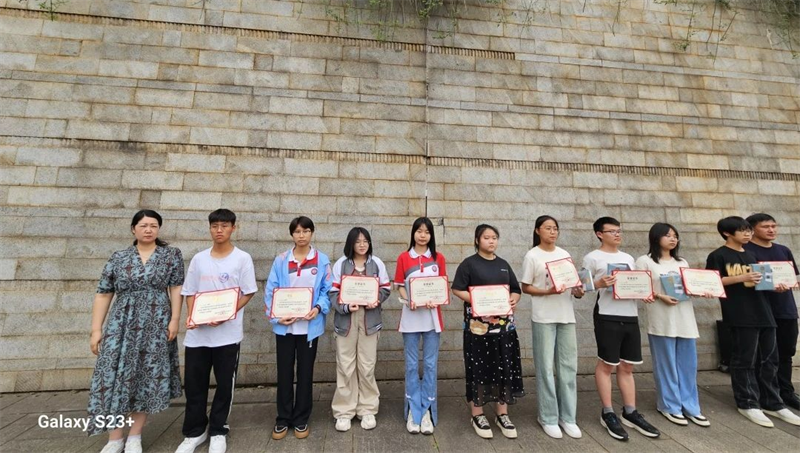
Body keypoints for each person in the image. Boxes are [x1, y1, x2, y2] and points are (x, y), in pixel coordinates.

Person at [87, 210, 184, 453]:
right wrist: (96, 329)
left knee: (146, 377)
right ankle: (115, 438)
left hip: (156, 323)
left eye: (153, 225)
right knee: (112, 375)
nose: (148, 229)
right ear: (133, 229)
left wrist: (174, 320)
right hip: (121, 324)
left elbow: (176, 288)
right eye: (143, 225)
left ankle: (135, 436)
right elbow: (104, 293)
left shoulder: (171, 255)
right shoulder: (118, 257)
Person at [175, 209, 257, 453]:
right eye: (214, 226)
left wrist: (226, 313)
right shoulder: (199, 259)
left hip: (227, 335)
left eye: (224, 225)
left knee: (224, 385)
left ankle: (219, 429)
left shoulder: (242, 258)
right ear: (210, 228)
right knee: (194, 385)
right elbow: (189, 292)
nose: (219, 230)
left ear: (233, 228)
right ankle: (195, 432)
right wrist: (193, 316)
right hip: (198, 336)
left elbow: (248, 292)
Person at [706, 216, 800, 427]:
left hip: (765, 313)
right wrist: (741, 278)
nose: (747, 234)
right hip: (740, 314)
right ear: (727, 233)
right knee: (744, 360)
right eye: (743, 230)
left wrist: (777, 286)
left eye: (749, 230)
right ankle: (747, 402)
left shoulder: (751, 255)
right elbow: (710, 281)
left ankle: (772, 402)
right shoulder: (718, 255)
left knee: (770, 360)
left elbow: (761, 282)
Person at [582, 216, 660, 441]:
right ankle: (607, 412)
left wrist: (645, 293)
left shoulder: (627, 258)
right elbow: (581, 286)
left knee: (627, 365)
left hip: (630, 315)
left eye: (619, 231)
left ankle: (630, 411)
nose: (617, 234)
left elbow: (634, 283)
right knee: (607, 364)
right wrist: (598, 284)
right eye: (612, 231)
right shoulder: (592, 257)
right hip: (607, 315)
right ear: (599, 234)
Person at [452, 224, 524, 440]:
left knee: (504, 367)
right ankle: (478, 414)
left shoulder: (503, 264)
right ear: (477, 240)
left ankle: (502, 413)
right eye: (486, 237)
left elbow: (516, 289)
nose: (491, 241)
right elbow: (457, 289)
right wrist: (477, 300)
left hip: (504, 328)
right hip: (478, 329)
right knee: (479, 369)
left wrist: (514, 299)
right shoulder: (469, 264)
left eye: (494, 237)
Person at [635, 223, 710, 428]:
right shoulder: (645, 261)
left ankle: (691, 406)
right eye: (668, 235)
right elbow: (640, 288)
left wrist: (701, 290)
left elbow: (688, 286)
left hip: (685, 318)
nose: (673, 239)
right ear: (656, 237)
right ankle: (669, 405)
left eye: (675, 236)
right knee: (666, 365)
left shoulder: (681, 261)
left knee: (688, 365)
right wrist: (660, 296)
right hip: (661, 319)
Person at [264, 216, 332, 440]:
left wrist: (319, 307)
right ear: (292, 234)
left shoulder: (321, 260)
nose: (301, 235)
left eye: (306, 231)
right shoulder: (281, 260)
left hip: (309, 328)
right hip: (285, 328)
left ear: (312, 233)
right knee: (284, 373)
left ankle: (301, 418)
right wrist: (276, 316)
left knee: (305, 373)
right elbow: (271, 289)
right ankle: (283, 418)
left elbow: (327, 289)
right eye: (297, 232)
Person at [520, 215, 584, 439]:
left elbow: (573, 284)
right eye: (548, 228)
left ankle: (568, 417)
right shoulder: (532, 255)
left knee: (568, 367)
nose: (552, 232)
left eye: (555, 228)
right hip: (544, 317)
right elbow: (525, 287)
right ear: (537, 230)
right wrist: (548, 291)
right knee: (545, 368)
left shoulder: (564, 254)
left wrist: (578, 291)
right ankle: (547, 416)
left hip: (566, 316)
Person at [329, 227, 391, 432]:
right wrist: (346, 307)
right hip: (346, 321)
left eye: (365, 241)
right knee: (345, 365)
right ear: (351, 244)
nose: (362, 245)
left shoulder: (376, 263)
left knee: (367, 365)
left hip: (369, 321)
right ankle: (344, 411)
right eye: (358, 241)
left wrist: (376, 300)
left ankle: (367, 409)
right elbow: (332, 292)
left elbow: (386, 288)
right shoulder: (341, 264)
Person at [394, 217, 447, 435]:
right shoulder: (404, 257)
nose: (423, 235)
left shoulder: (438, 258)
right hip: (411, 318)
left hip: (432, 319)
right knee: (411, 365)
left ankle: (427, 411)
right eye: (419, 231)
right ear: (413, 233)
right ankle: (413, 411)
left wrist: (437, 299)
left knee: (431, 365)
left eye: (427, 232)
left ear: (431, 235)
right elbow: (399, 285)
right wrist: (409, 300)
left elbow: (442, 286)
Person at [744, 213, 800, 411]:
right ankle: (765, 393)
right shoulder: (746, 252)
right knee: (764, 356)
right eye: (766, 226)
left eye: (774, 226)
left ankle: (786, 392)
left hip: (786, 309)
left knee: (786, 353)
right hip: (762, 311)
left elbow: (793, 277)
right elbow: (748, 282)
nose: (771, 230)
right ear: (752, 229)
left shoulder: (783, 250)